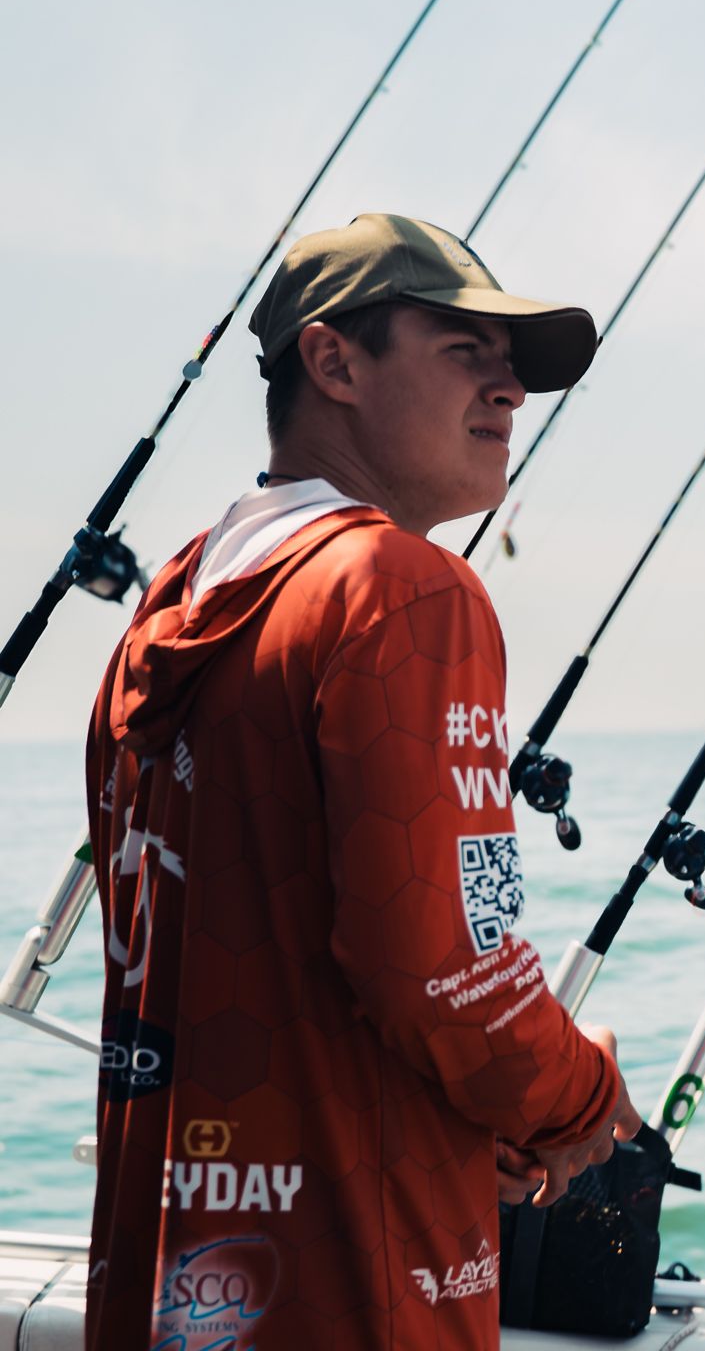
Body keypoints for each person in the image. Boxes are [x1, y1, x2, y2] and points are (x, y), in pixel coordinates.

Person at [85, 213, 641, 1350]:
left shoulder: (169, 612)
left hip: (169, 1280)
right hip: (353, 1290)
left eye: (516, 369)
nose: (510, 393)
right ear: (334, 361)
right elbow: (444, 966)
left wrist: (454, 1114)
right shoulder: (404, 586)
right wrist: (579, 1102)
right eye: (463, 351)